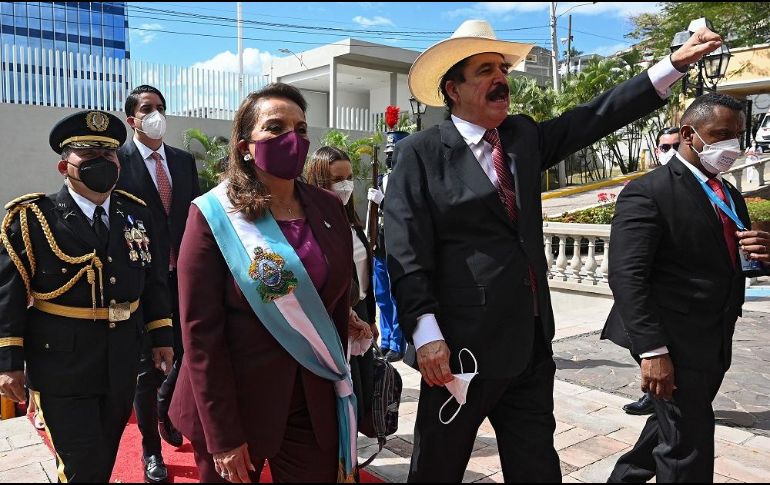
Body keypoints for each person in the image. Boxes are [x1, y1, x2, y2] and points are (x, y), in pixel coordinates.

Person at [384, 18, 724, 482]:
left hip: (530, 345)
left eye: (502, 69)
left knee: (537, 466)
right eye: (485, 70)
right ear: (453, 89)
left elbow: (597, 115)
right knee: (437, 467)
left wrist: (674, 64)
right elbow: (405, 249)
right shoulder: (420, 154)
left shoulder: (522, 137)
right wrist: (426, 335)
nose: (500, 79)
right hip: (459, 352)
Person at [168, 83, 357, 483]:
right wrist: (223, 434)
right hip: (234, 402)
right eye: (275, 128)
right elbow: (200, 333)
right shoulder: (214, 215)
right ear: (244, 147)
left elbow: (335, 294)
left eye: (301, 129)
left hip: (313, 399)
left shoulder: (327, 206)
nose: (292, 138)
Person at [602, 93, 770, 482]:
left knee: (671, 427)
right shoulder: (649, 191)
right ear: (689, 134)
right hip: (670, 341)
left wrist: (763, 255)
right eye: (722, 134)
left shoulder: (729, 193)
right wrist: (653, 351)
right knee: (688, 446)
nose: (733, 145)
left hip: (714, 335)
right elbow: (626, 276)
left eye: (738, 134)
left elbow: (728, 262)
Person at [0, 110, 173, 482]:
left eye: (108, 154)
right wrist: (8, 361)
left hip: (122, 359)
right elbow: (8, 295)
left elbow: (153, 280)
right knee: (82, 467)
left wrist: (162, 336)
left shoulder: (136, 214)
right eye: (89, 154)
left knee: (103, 457)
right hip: (61, 364)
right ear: (65, 166)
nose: (102, 161)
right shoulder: (33, 218)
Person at [117, 84, 201, 483]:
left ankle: (167, 407)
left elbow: (196, 219)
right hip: (142, 281)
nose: (157, 115)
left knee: (187, 352)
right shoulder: (118, 161)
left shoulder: (183, 162)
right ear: (132, 119)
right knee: (146, 368)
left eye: (161, 107)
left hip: (183, 276)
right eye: (148, 108)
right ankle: (151, 450)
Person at [305, 145, 379, 420]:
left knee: (363, 393)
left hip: (360, 316)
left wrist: (370, 317)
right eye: (337, 179)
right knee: (342, 395)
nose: (345, 186)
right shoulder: (311, 226)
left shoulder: (352, 222)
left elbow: (364, 275)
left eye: (349, 178)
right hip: (334, 319)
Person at [623, 126, 681, 416]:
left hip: (679, 297)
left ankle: (658, 398)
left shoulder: (713, 188)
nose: (669, 152)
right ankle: (654, 395)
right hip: (647, 287)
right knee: (636, 341)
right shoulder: (646, 188)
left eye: (675, 146)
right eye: (664, 147)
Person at [370, 134, 407, 362]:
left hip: (397, 246)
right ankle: (385, 340)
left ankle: (397, 342)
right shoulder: (381, 179)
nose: (389, 157)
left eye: (393, 153)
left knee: (395, 296)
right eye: (388, 153)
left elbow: (406, 211)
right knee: (382, 295)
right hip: (380, 244)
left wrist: (383, 201)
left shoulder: (408, 178)